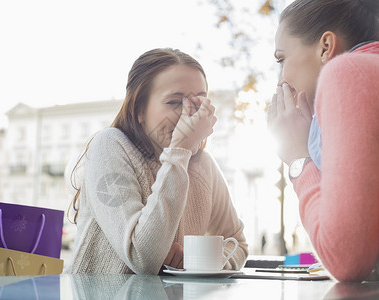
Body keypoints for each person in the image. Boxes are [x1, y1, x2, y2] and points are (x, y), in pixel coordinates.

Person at [63, 48, 248, 275]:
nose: (188, 114)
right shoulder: (109, 145)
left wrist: (200, 260)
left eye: (198, 102)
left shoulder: (203, 165)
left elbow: (238, 242)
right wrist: (179, 149)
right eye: (174, 102)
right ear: (140, 109)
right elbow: (143, 257)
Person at [267, 0, 379, 282]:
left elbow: (346, 259)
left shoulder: (350, 72)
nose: (280, 81)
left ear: (326, 47)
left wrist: (297, 159)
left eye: (282, 60)